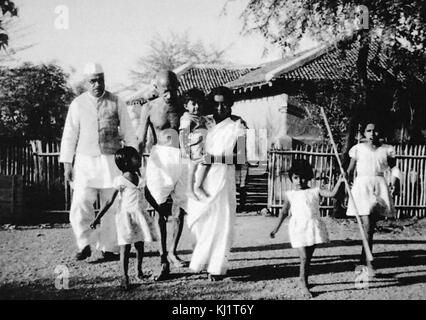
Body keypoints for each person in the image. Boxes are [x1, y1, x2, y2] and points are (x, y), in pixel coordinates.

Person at [59, 62, 137, 261]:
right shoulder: (77, 104)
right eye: (92, 81)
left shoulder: (117, 101)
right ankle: (84, 243)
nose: (97, 85)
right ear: (86, 82)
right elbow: (69, 135)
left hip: (112, 161)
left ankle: (109, 247)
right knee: (80, 203)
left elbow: (128, 131)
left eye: (100, 80)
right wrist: (67, 163)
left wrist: (133, 160)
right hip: (85, 162)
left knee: (112, 205)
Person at [185, 86, 247, 281]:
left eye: (224, 104)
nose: (220, 108)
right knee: (200, 222)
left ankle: (217, 267)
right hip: (200, 176)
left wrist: (214, 159)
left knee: (221, 223)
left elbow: (241, 157)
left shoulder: (238, 125)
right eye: (216, 103)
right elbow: (192, 150)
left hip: (222, 176)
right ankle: (201, 260)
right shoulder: (204, 122)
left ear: (230, 104)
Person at [136, 70, 188, 280]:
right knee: (159, 209)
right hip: (159, 159)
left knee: (180, 208)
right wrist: (135, 163)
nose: (169, 95)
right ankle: (163, 258)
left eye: (173, 89)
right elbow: (141, 138)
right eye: (165, 91)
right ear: (156, 88)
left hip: (182, 157)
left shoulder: (185, 104)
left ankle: (174, 252)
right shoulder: (148, 107)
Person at [270, 159, 344, 298]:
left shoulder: (315, 191)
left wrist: (340, 181)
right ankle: (303, 283)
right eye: (296, 177)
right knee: (303, 257)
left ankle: (302, 278)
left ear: (309, 177)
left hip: (312, 227)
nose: (299, 181)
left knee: (308, 258)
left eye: (303, 177)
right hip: (298, 228)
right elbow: (284, 212)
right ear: (292, 177)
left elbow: (332, 194)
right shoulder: (290, 195)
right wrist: (276, 229)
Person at [90, 146, 156, 290]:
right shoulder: (120, 180)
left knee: (139, 245)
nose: (139, 159)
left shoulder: (141, 178)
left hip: (139, 216)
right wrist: (97, 218)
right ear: (126, 162)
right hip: (125, 217)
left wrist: (159, 209)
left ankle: (139, 271)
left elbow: (149, 196)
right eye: (135, 157)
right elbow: (109, 201)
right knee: (125, 246)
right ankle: (124, 276)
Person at [345, 120, 400, 276]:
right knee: (367, 226)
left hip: (379, 187)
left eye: (375, 131)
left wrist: (394, 181)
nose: (372, 134)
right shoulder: (358, 149)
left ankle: (362, 260)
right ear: (364, 133)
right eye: (368, 131)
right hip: (362, 187)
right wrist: (345, 176)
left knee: (370, 228)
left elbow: (394, 167)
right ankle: (369, 263)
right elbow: (350, 169)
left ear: (380, 133)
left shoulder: (387, 150)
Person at [179, 88, 210, 200]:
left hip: (201, 146)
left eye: (199, 103)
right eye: (194, 104)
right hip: (193, 148)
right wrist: (185, 150)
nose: (197, 106)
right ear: (186, 106)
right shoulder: (187, 118)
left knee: (206, 164)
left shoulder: (200, 118)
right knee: (192, 168)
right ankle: (190, 189)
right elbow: (183, 134)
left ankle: (199, 185)